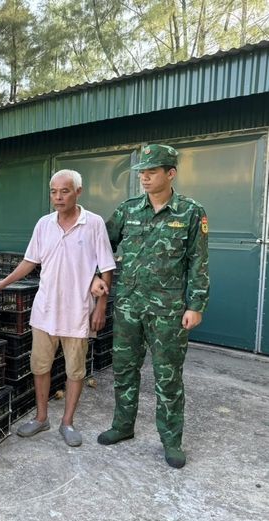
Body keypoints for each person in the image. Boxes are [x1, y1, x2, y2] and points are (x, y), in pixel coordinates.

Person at [91, 144, 209, 468]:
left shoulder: (190, 211)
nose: (143, 176)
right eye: (141, 171)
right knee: (124, 369)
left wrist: (195, 305)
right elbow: (101, 246)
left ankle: (171, 440)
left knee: (168, 376)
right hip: (128, 306)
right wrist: (96, 277)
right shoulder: (127, 210)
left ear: (170, 173)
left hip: (169, 311)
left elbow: (198, 262)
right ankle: (122, 426)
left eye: (151, 171)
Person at [0, 169, 116, 446]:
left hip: (78, 312)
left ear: (78, 192)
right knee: (40, 367)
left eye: (65, 191)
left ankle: (67, 423)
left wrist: (100, 307)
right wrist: (3, 283)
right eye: (54, 192)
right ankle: (41, 417)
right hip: (45, 312)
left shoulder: (92, 224)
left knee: (75, 371)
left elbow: (106, 268)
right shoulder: (44, 224)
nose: (58, 197)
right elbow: (29, 262)